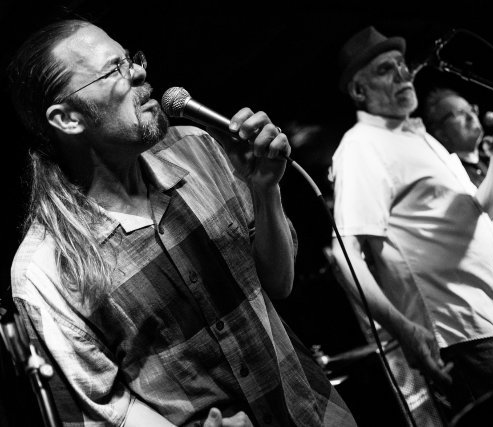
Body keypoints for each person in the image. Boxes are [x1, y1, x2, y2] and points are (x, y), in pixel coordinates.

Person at [8, 19, 357, 427]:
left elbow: (279, 283)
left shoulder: (199, 147)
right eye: (113, 70)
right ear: (67, 119)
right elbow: (105, 407)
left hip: (311, 411)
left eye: (131, 59)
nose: (138, 73)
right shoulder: (44, 269)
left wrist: (265, 191)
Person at [330, 26, 493, 415]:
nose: (403, 74)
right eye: (385, 69)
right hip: (466, 330)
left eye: (401, 64)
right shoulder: (361, 146)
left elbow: (482, 210)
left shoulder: (417, 138)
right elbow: (346, 255)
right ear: (359, 90)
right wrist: (404, 329)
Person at [422, 88, 493, 227]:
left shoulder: (489, 159)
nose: (471, 116)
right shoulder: (448, 173)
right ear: (440, 133)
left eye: (471, 109)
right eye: (459, 113)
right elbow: (475, 221)